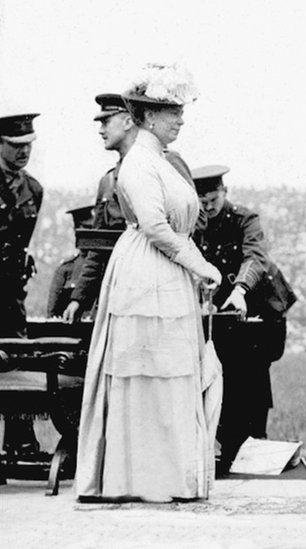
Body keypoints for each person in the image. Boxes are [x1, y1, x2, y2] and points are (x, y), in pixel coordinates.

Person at [75, 64, 223, 502]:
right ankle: (139, 477)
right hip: (147, 270)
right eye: (172, 112)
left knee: (169, 369)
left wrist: (192, 267)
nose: (180, 119)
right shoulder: (139, 161)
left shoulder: (158, 160)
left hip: (165, 271)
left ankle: (167, 474)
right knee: (147, 370)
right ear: (150, 116)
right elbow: (156, 227)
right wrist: (201, 265)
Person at [191, 165, 297, 473]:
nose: (208, 208)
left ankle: (254, 442)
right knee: (224, 371)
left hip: (261, 303)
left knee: (253, 372)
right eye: (202, 202)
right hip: (224, 310)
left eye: (213, 200)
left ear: (224, 193)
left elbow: (255, 257)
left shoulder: (245, 219)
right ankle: (231, 443)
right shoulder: (195, 224)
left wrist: (240, 289)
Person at [63, 93, 193, 323]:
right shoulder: (108, 181)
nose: (101, 130)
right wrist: (79, 299)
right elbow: (97, 246)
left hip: (160, 285)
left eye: (106, 121)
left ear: (127, 121)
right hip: (118, 288)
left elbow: (194, 223)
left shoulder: (167, 163)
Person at [0, 112, 43, 456]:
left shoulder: (34, 189)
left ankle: (21, 441)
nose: (23, 152)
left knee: (17, 355)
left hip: (11, 291)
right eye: (16, 146)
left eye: (28, 145)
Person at [47, 205, 95, 318]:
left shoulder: (109, 267)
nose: (89, 234)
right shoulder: (66, 269)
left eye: (92, 229)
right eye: (85, 229)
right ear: (76, 231)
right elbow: (52, 314)